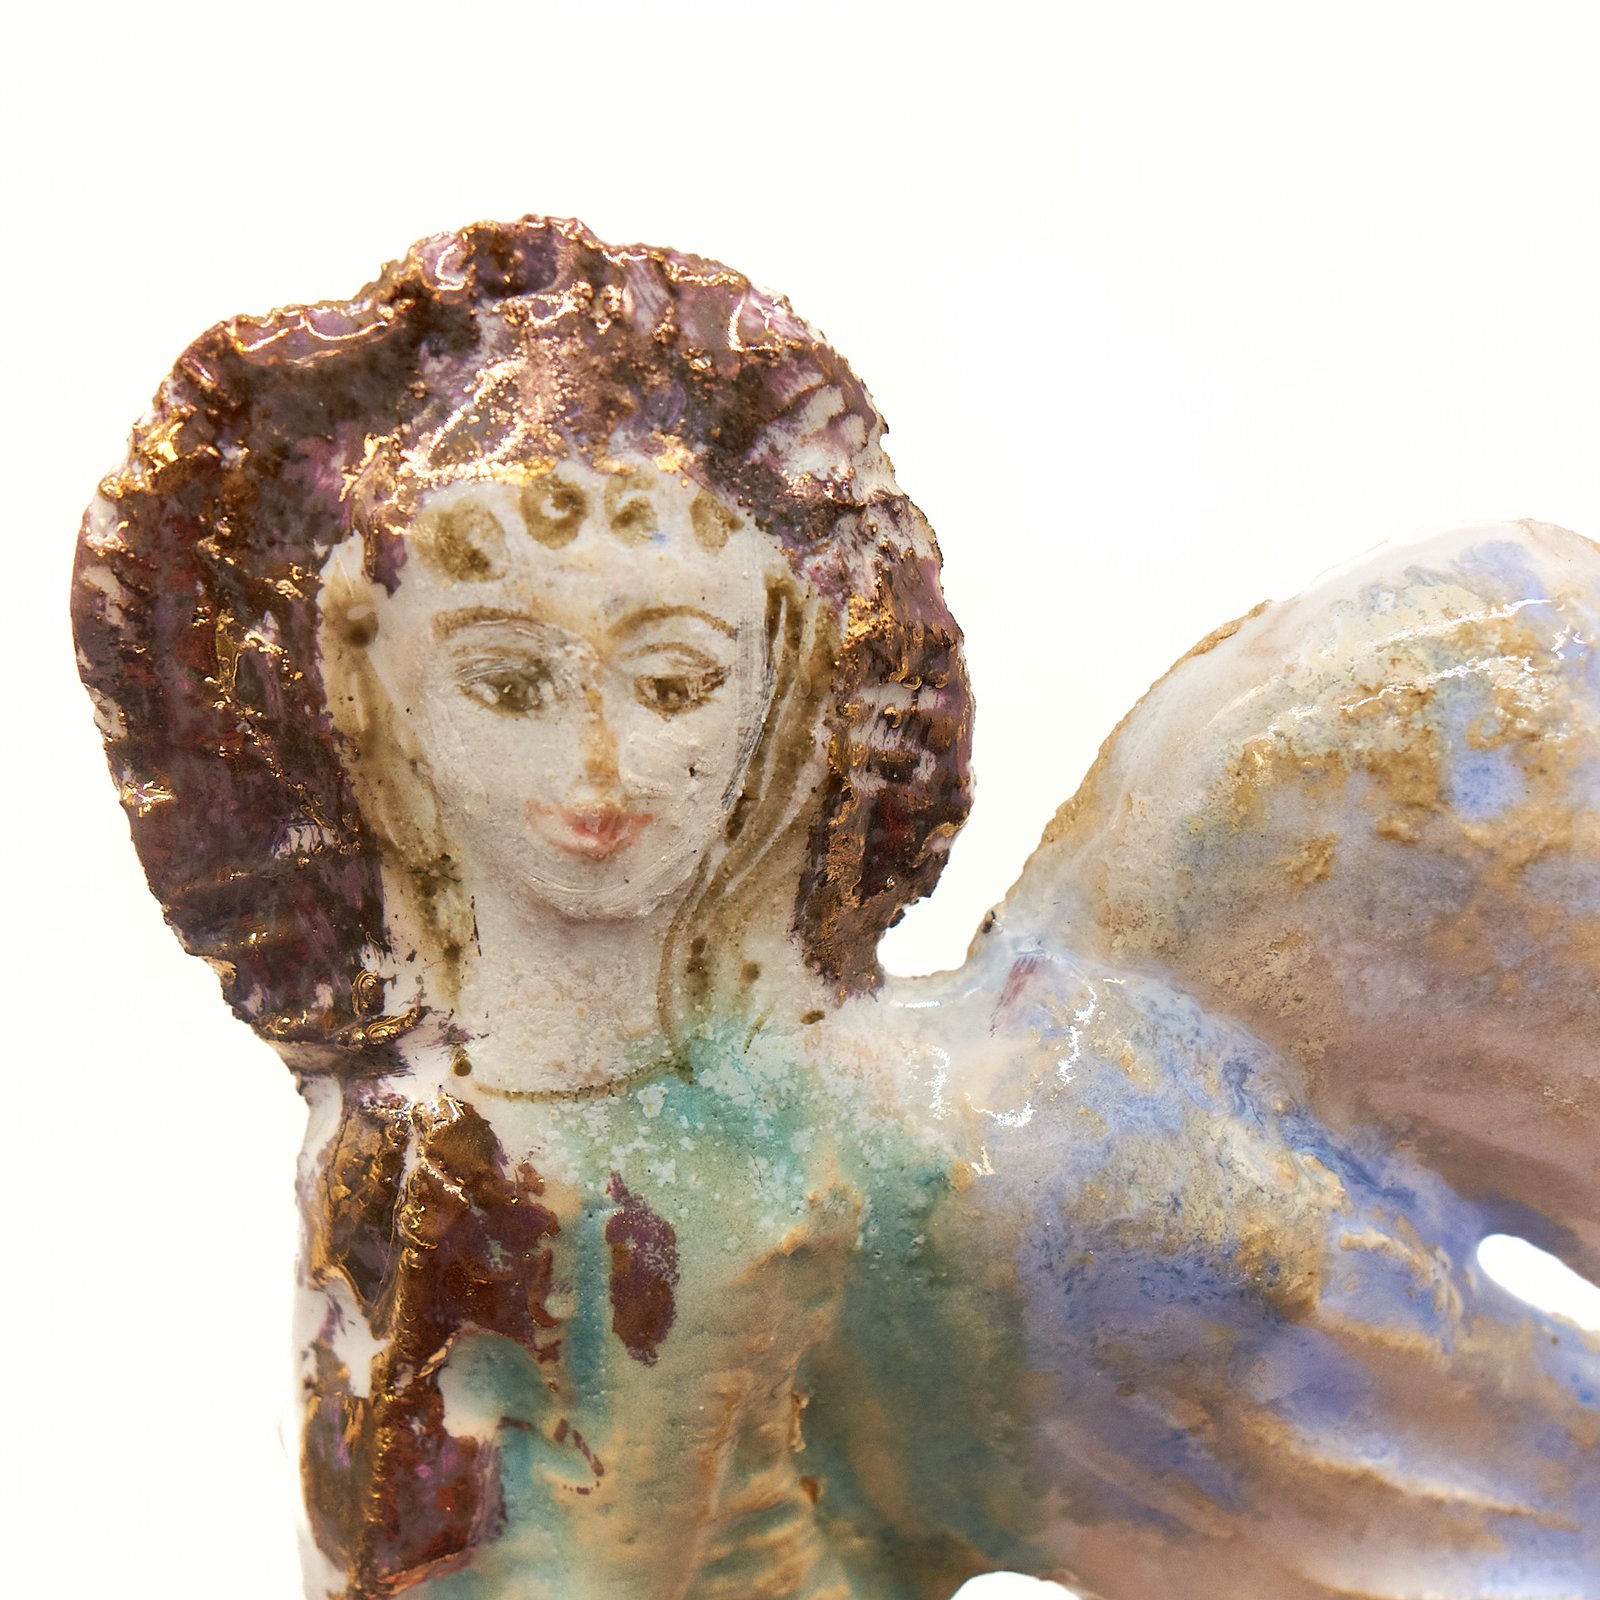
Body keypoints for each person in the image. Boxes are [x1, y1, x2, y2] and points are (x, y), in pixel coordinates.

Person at [73, 216, 1600, 1600]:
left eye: (675, 683)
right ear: (358, 711)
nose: (598, 773)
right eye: (509, 687)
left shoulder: (898, 1149)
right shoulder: (417, 1147)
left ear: (793, 694)